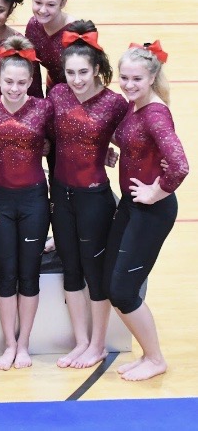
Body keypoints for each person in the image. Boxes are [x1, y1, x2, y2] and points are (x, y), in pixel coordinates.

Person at [104, 41, 188, 381]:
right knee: (114, 283)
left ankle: (155, 358)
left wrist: (157, 191)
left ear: (152, 76)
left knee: (123, 290)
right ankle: (146, 354)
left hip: (151, 211)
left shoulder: (155, 113)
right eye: (123, 77)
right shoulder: (134, 105)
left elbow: (180, 165)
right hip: (130, 203)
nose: (128, 84)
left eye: (136, 79)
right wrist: (117, 154)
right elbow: (134, 143)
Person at [48, 21, 129, 369]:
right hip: (61, 194)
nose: (77, 79)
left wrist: (115, 152)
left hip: (94, 197)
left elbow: (135, 139)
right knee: (71, 268)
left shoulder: (114, 103)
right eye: (70, 72)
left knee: (94, 272)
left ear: (97, 69)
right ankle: (81, 341)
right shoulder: (57, 96)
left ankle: (98, 344)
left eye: (83, 72)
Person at [0, 36, 53, 370]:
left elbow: (63, 143)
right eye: (8, 81)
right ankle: (8, 343)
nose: (15, 88)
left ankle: (25, 344)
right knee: (6, 274)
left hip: (34, 198)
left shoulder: (43, 108)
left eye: (22, 82)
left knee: (29, 273)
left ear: (31, 81)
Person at [25, 0, 76, 94]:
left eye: (51, 5)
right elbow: (32, 69)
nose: (42, 10)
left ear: (63, 3)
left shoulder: (75, 31)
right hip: (52, 88)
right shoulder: (33, 26)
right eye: (38, 2)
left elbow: (85, 75)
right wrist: (37, 102)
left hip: (77, 91)